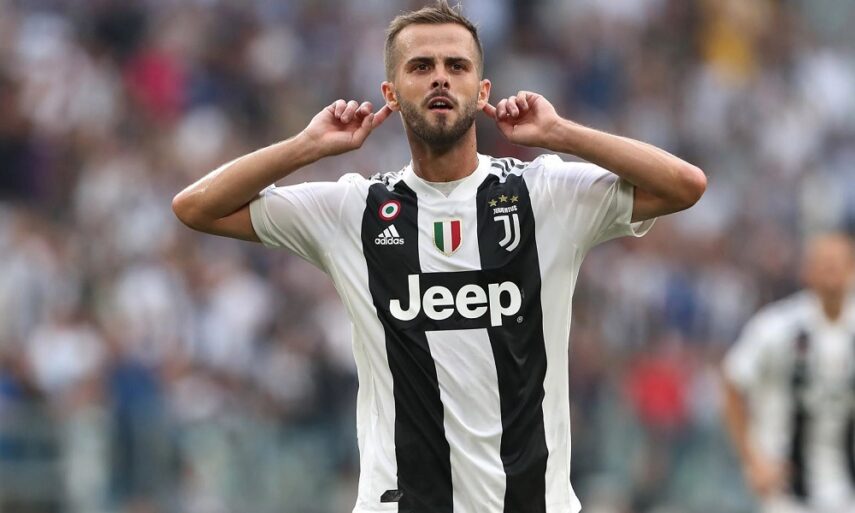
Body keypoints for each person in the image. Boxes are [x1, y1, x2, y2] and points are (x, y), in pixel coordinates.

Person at [172, 2, 706, 512]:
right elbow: (196, 207)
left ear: (482, 90)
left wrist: (560, 133)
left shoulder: (543, 195)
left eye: (457, 66)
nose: (441, 79)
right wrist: (306, 146)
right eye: (421, 66)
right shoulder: (354, 209)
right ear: (390, 93)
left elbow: (684, 185)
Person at [722, 234, 855, 513]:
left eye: (839, 263)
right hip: (787, 493)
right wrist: (753, 461)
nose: (832, 272)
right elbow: (733, 381)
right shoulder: (777, 327)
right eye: (824, 264)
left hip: (846, 490)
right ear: (807, 271)